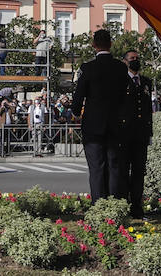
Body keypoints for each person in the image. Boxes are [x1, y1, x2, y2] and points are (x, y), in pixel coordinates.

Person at [71, 28, 129, 201]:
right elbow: (124, 94)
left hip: (93, 124)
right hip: (115, 123)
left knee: (96, 168)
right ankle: (114, 203)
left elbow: (79, 95)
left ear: (94, 45)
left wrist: (75, 112)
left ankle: (99, 205)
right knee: (114, 166)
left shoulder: (87, 68)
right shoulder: (120, 68)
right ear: (111, 44)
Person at [120, 49, 153, 218]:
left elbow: (148, 110)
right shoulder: (120, 80)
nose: (135, 61)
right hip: (125, 134)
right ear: (125, 61)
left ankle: (137, 209)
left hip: (141, 134)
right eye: (132, 58)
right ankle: (123, 207)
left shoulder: (146, 82)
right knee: (124, 172)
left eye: (137, 58)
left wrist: (149, 133)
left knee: (139, 172)